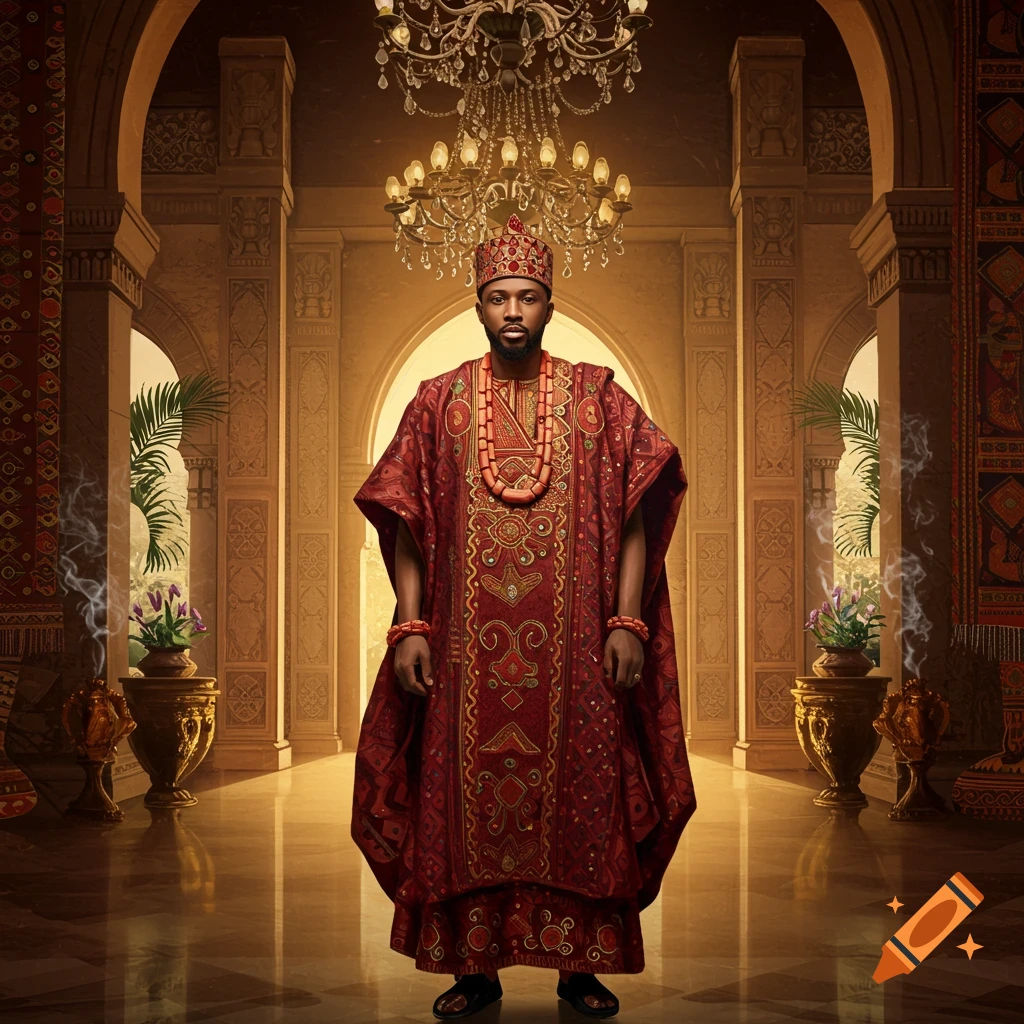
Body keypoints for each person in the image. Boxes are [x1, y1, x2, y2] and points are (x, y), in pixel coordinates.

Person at [353, 214, 695, 1019]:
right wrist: (410, 627)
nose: (514, 311)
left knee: (586, 798)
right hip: (463, 660)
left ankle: (582, 966)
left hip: (577, 656)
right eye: (500, 297)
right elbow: (406, 520)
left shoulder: (596, 398)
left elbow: (638, 510)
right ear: (478, 305)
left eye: (530, 297)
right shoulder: (438, 404)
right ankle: (475, 968)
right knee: (464, 803)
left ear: (550, 305)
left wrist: (625, 621)